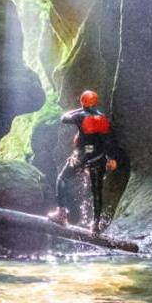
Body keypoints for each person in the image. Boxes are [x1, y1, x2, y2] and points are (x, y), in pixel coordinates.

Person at [48, 90, 118, 235]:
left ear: (82, 102)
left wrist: (81, 108)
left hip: (82, 155)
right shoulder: (102, 117)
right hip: (99, 156)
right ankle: (96, 224)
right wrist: (111, 158)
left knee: (62, 178)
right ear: (95, 102)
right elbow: (107, 140)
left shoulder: (80, 115)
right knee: (96, 191)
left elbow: (64, 118)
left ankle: (61, 214)